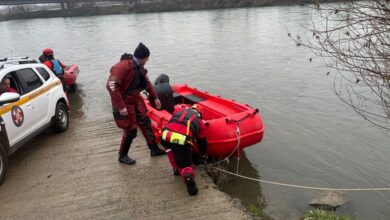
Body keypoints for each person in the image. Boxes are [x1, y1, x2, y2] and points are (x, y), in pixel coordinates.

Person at [106, 42, 165, 165]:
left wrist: (155, 97)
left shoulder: (140, 68)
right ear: (143, 57)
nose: (148, 60)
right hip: (124, 100)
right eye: (147, 57)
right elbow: (111, 85)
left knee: (145, 122)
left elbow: (147, 83)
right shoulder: (122, 67)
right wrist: (121, 106)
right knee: (130, 130)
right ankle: (122, 156)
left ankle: (154, 149)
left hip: (135, 98)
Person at [160, 104, 208, 196]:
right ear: (199, 113)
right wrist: (203, 155)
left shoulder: (179, 111)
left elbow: (174, 116)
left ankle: (175, 169)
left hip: (166, 134)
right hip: (182, 139)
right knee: (185, 165)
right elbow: (202, 142)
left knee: (169, 150)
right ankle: (188, 177)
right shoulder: (200, 122)